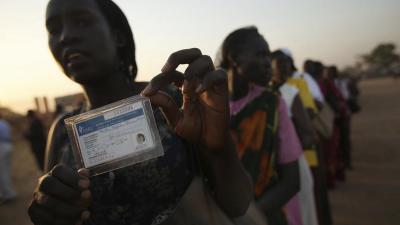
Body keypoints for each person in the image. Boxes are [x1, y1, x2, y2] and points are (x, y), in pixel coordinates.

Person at [28, 0, 253, 224]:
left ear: (118, 37)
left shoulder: (174, 102)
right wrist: (50, 206)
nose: (65, 36)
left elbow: (237, 204)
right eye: (54, 28)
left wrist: (219, 148)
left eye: (82, 21)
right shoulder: (61, 131)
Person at [216, 26, 301, 225]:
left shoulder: (272, 103)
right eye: (261, 55)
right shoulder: (208, 106)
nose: (268, 63)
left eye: (268, 56)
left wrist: (247, 217)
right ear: (234, 58)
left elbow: (292, 181)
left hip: (262, 216)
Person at [270, 50, 319, 225]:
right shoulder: (258, 96)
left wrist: (285, 145)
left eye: (286, 65)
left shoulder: (290, 92)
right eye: (279, 65)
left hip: (293, 170)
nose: (284, 69)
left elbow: (309, 136)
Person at [0, 112, 17, 204]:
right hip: (8, 145)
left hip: (1, 147)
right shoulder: (5, 123)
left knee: (2, 172)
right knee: (5, 170)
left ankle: (8, 194)